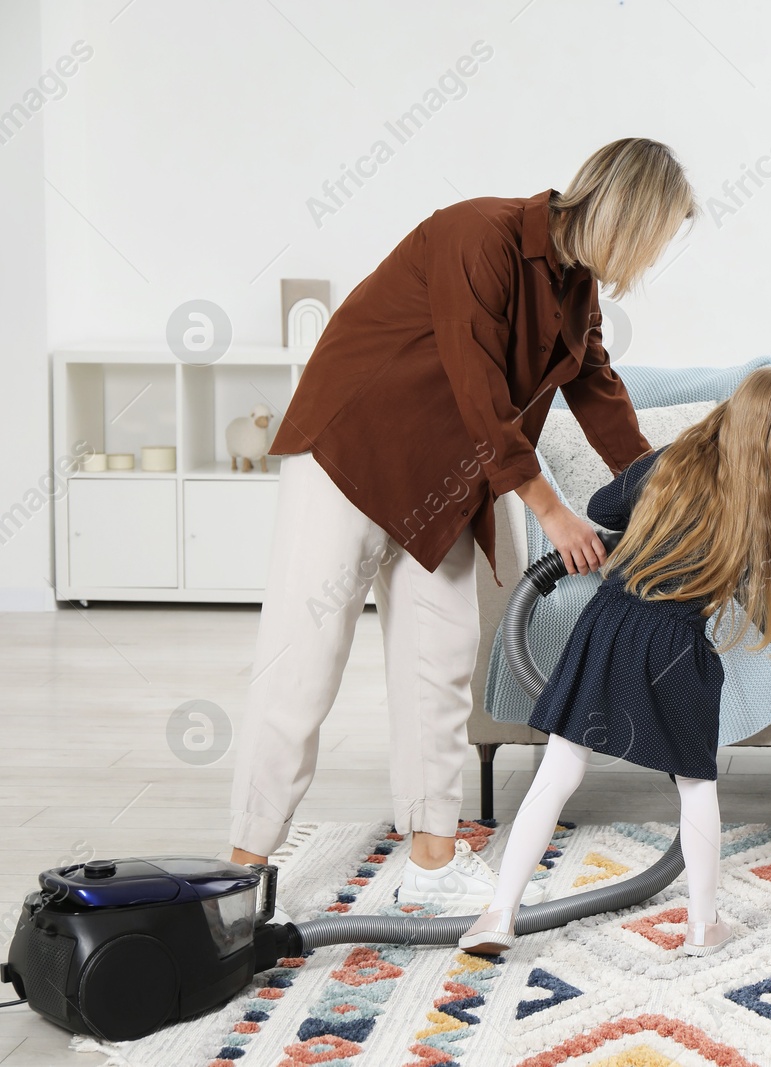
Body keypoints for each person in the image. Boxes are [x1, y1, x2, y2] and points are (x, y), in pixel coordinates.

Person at [228, 139, 696, 913]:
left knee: (437, 667)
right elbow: (477, 383)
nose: (653, 258)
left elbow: (601, 394)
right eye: (657, 237)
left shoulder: (580, 296)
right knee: (301, 665)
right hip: (351, 454)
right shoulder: (478, 235)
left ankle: (433, 864)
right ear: (630, 214)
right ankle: (240, 874)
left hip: (444, 485)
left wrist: (663, 505)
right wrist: (551, 509)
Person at [458, 366, 771, 956]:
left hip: (605, 626)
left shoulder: (670, 461)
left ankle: (497, 915)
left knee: (557, 773)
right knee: (695, 784)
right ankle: (702, 926)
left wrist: (648, 494)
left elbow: (604, 502)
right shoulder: (766, 512)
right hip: (677, 646)